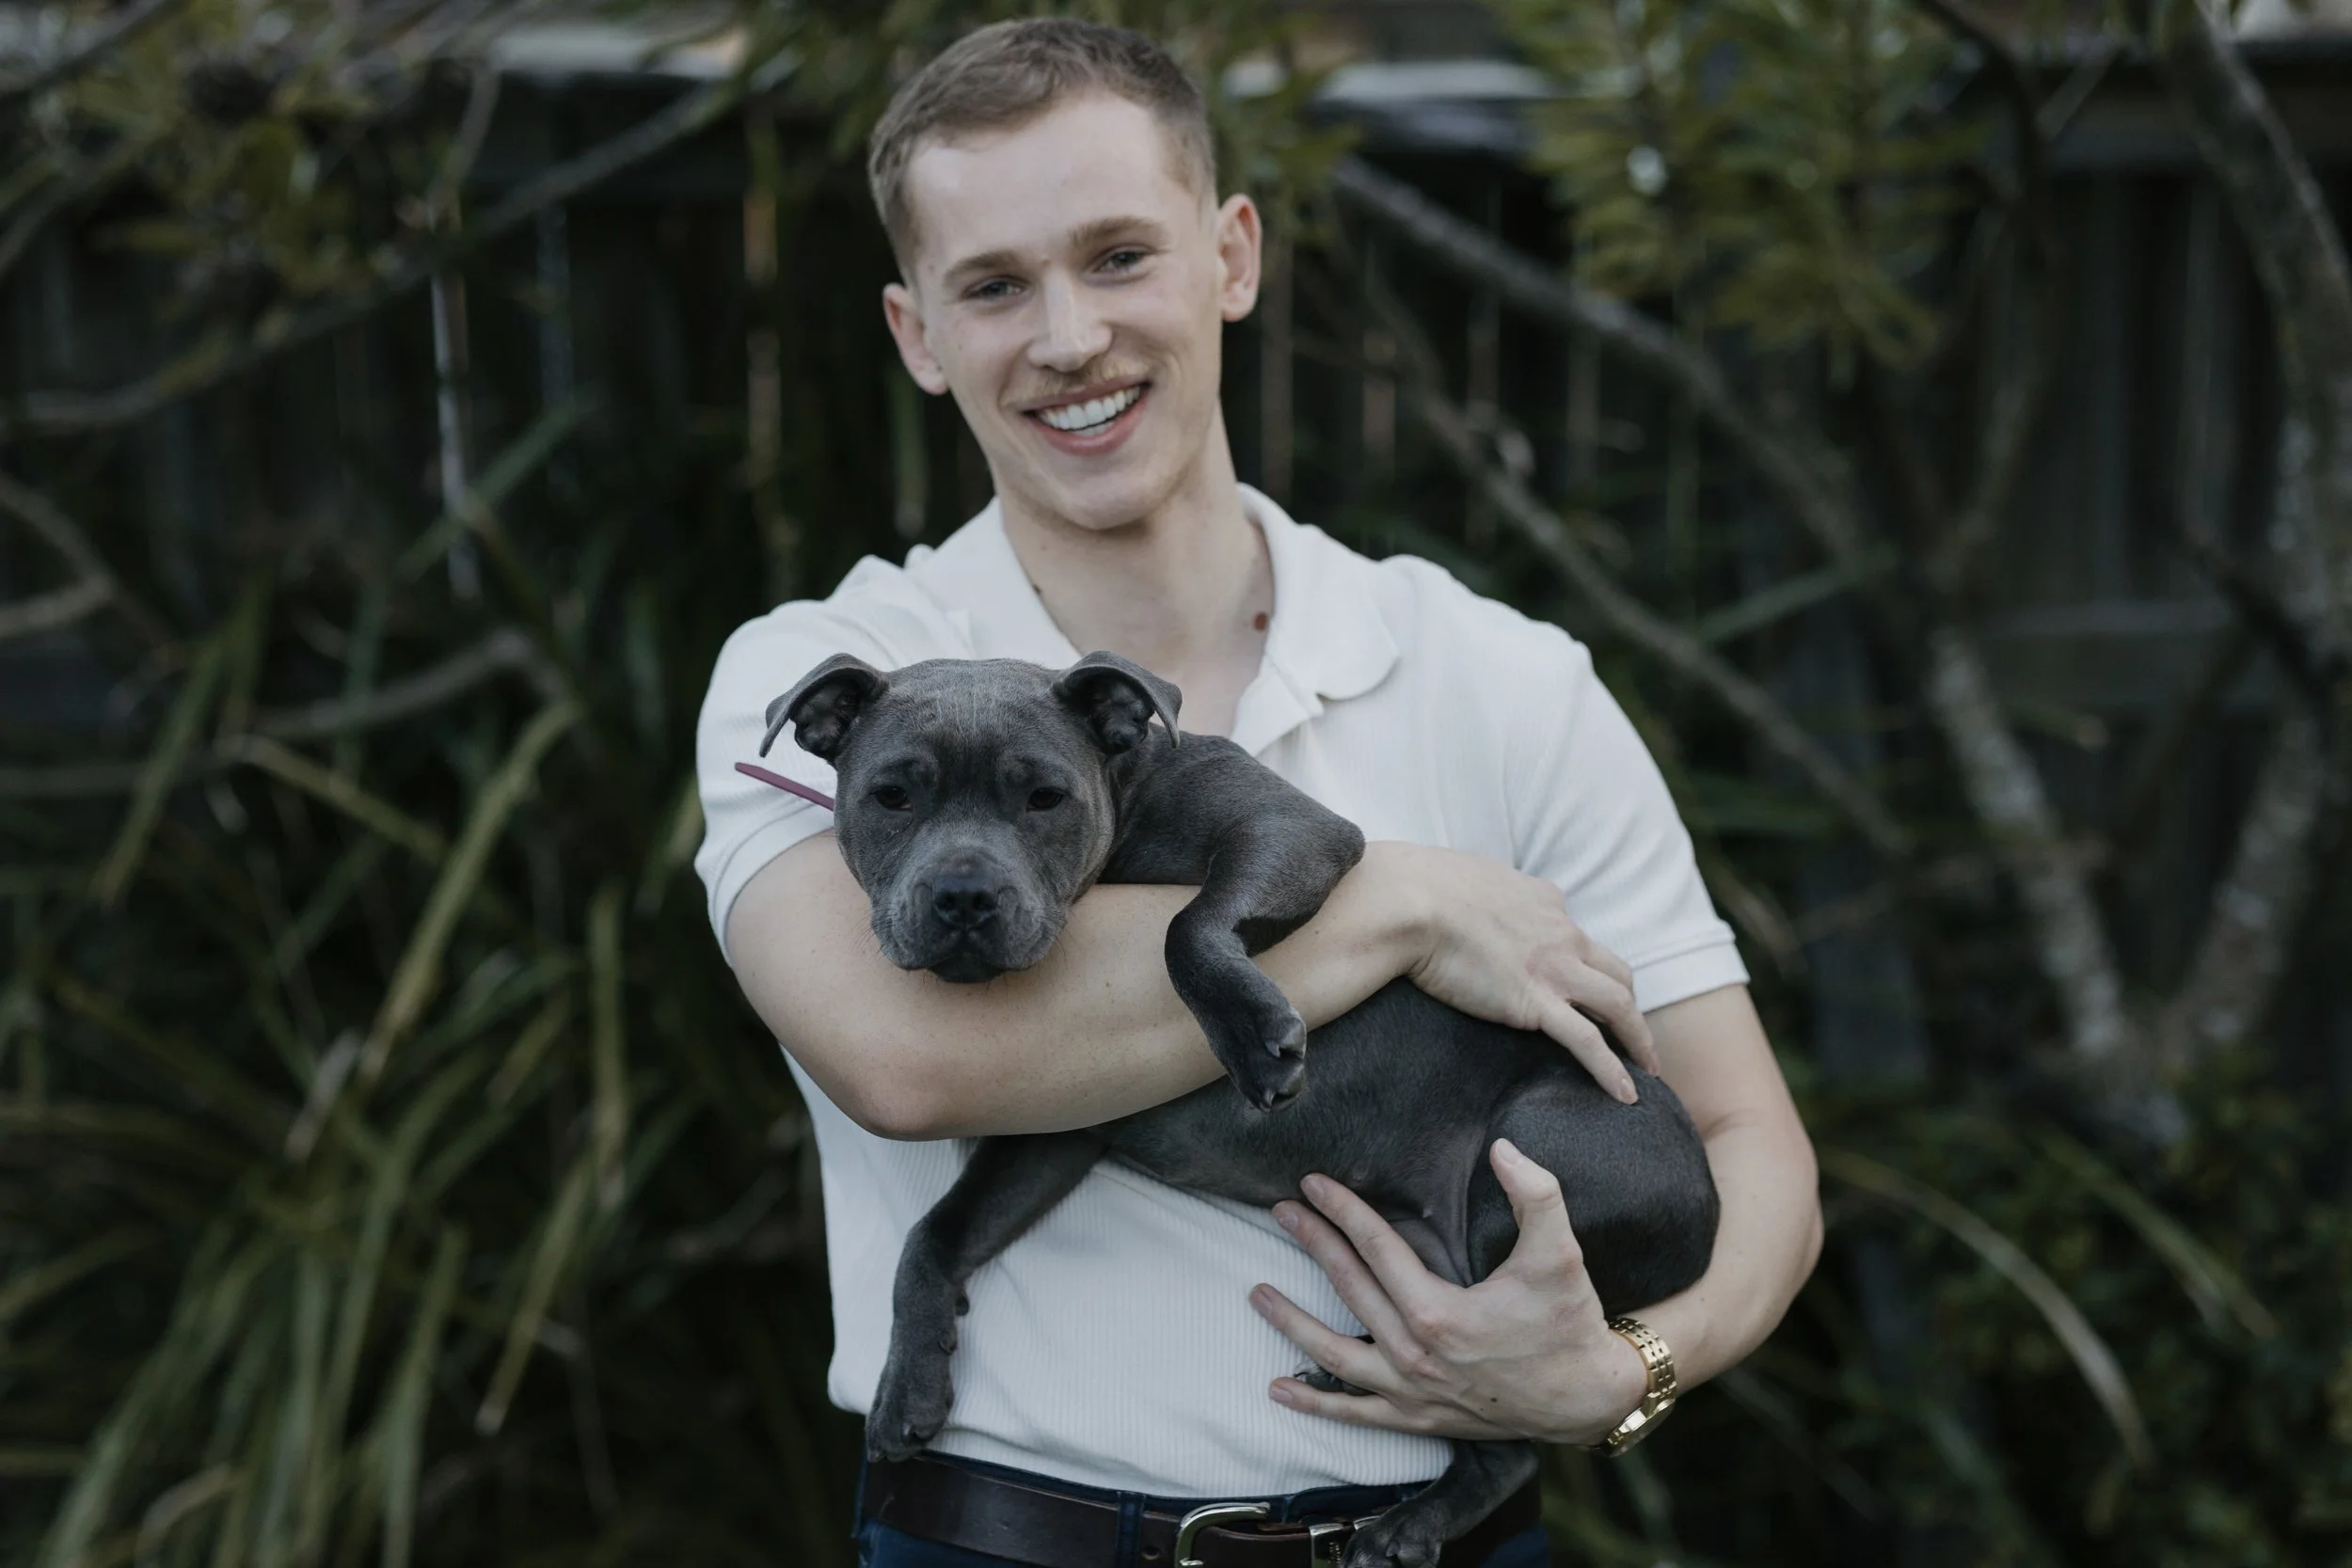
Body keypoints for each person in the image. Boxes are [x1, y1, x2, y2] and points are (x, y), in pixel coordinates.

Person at [694, 19, 1820, 1567]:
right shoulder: (836, 668)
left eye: (1118, 256)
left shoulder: (1498, 675)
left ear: (1232, 255)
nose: (1070, 336)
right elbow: (904, 1053)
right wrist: (1409, 907)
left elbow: (1750, 1137)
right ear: (917, 333)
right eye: (995, 285)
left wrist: (1630, 1373)